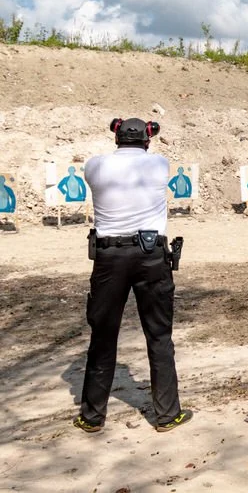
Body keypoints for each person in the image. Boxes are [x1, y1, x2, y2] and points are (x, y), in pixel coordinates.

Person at [74, 118, 191, 433]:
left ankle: (92, 416)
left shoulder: (95, 166)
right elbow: (151, 150)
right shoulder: (158, 165)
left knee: (103, 336)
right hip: (150, 255)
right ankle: (167, 415)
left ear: (116, 137)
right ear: (146, 139)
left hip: (109, 257)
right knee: (159, 336)